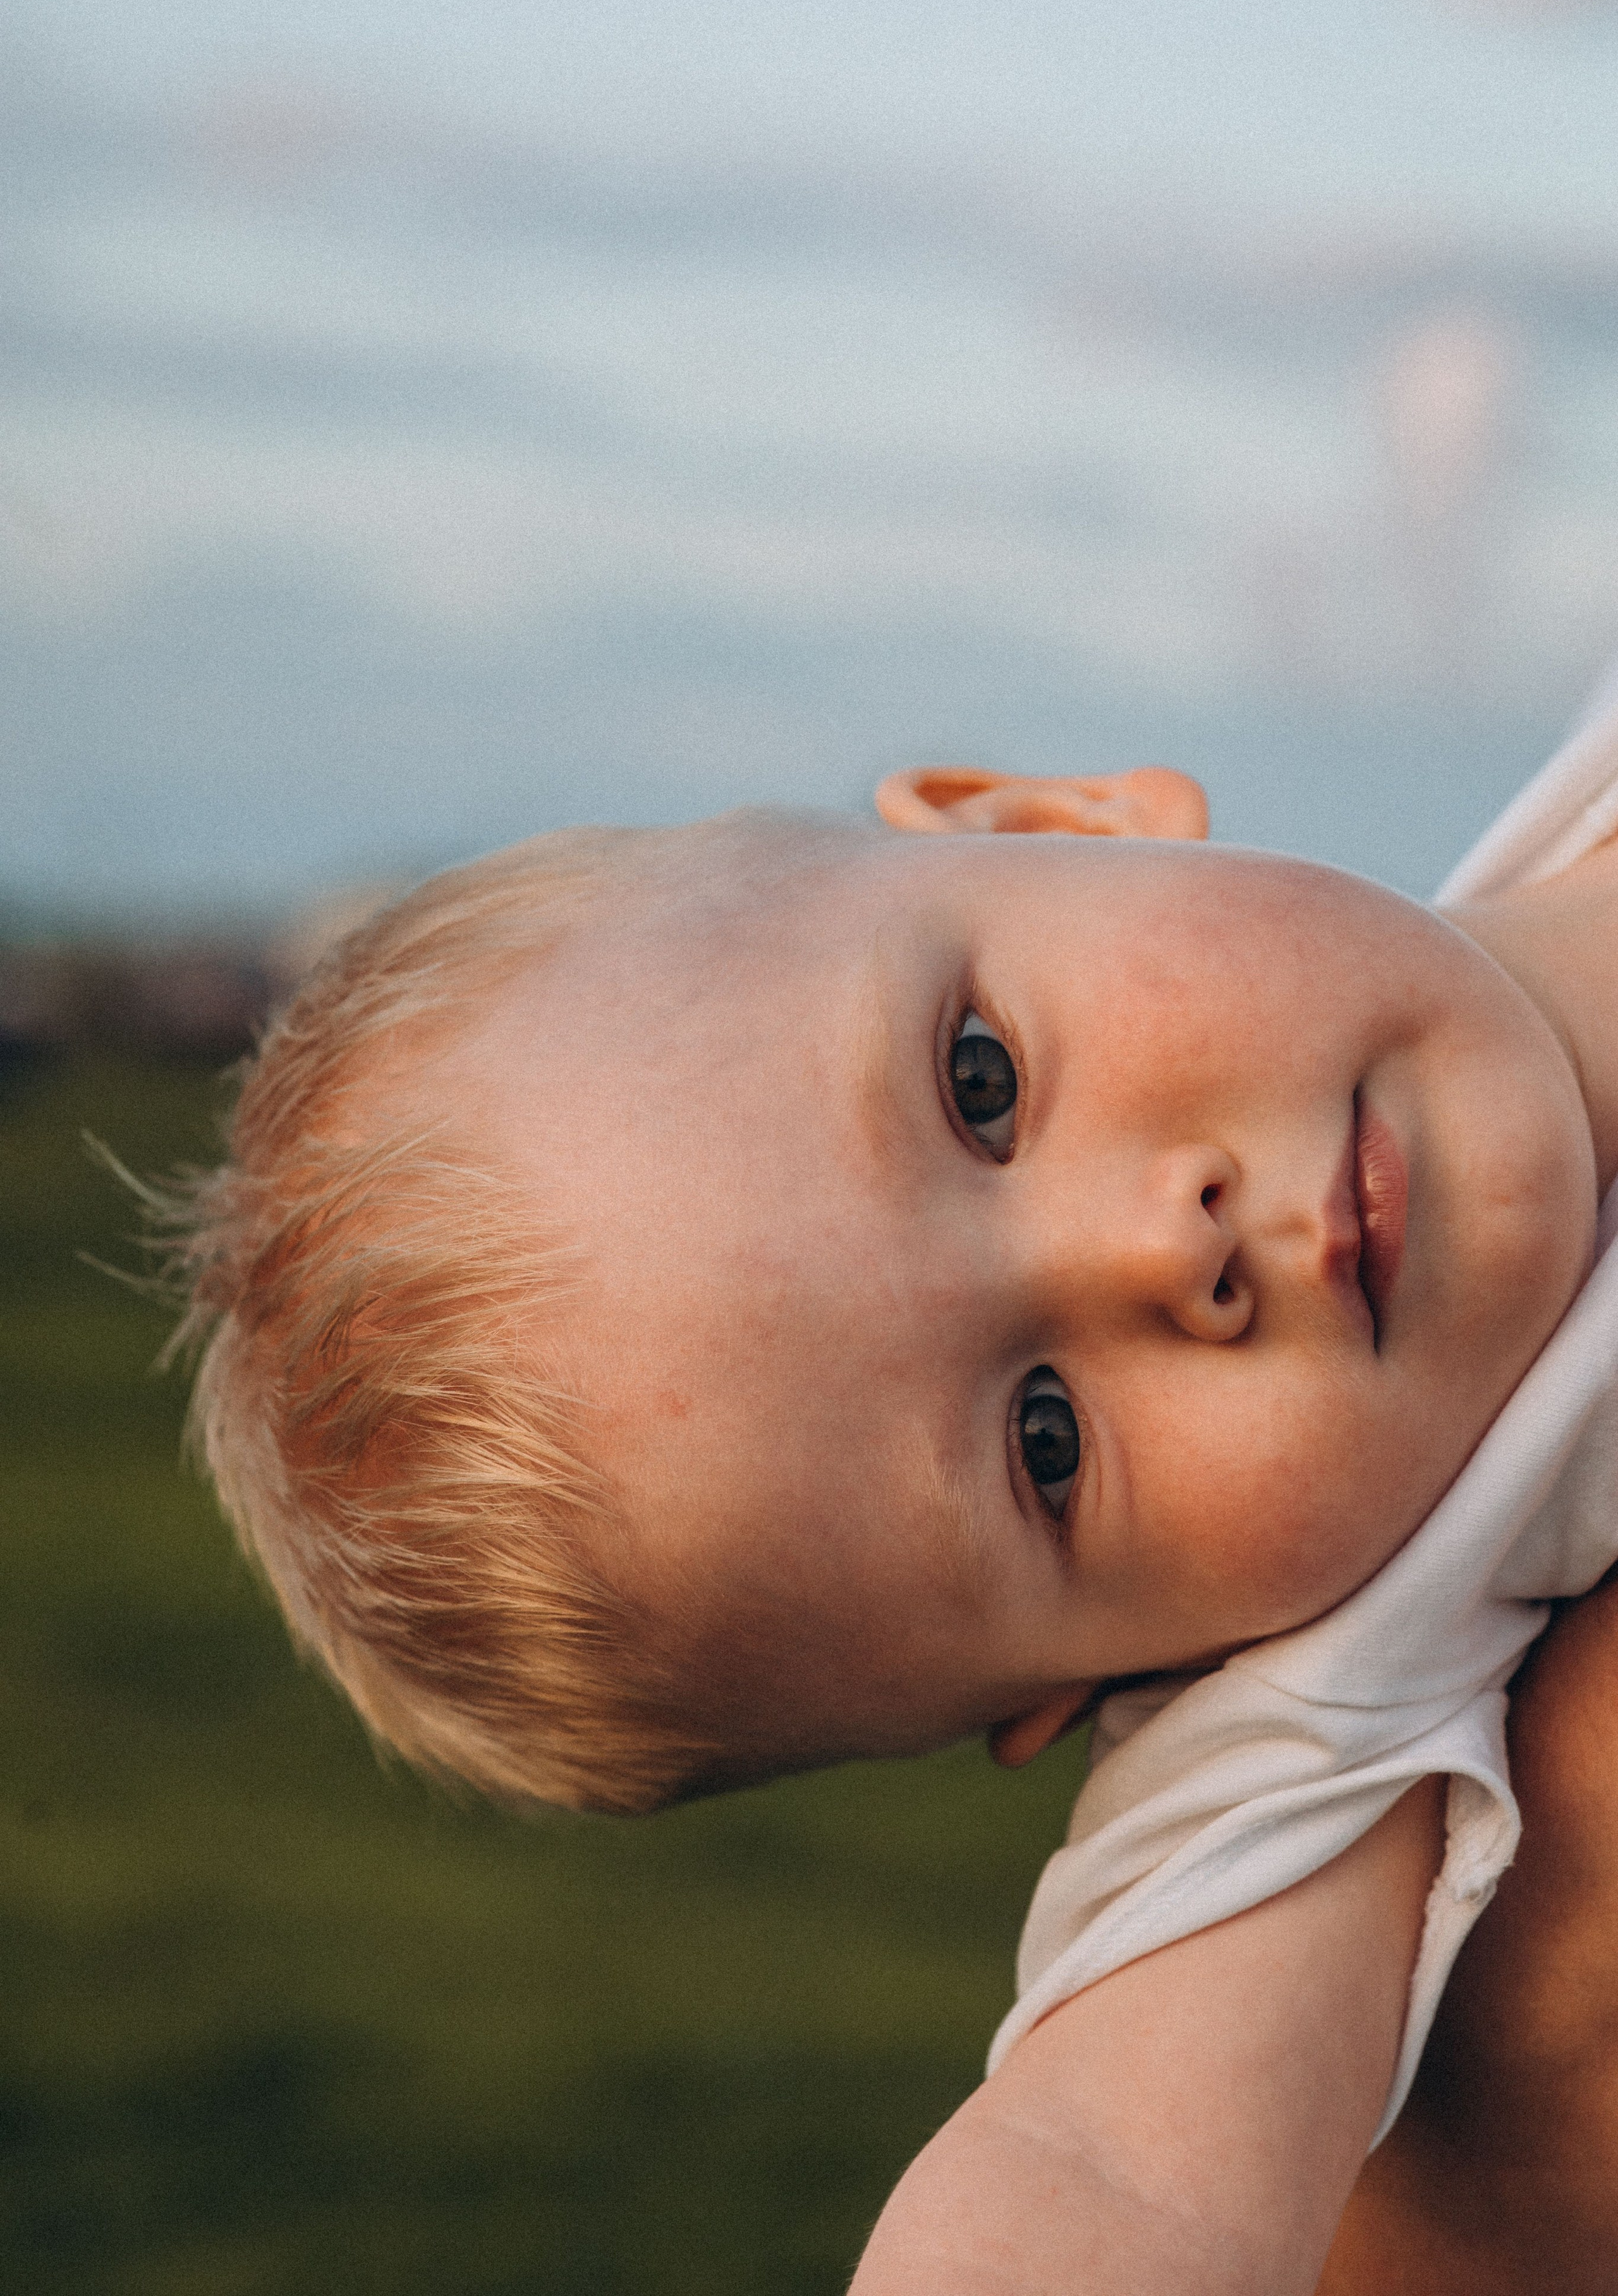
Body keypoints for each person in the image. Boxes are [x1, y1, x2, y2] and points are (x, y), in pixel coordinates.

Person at [157, 683, 1618, 2290]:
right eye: (1045, 1446)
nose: (1162, 1245)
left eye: (978, 1084)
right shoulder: (1343, 1690)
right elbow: (1099, 2173)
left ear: (1049, 822)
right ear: (1110, 1680)